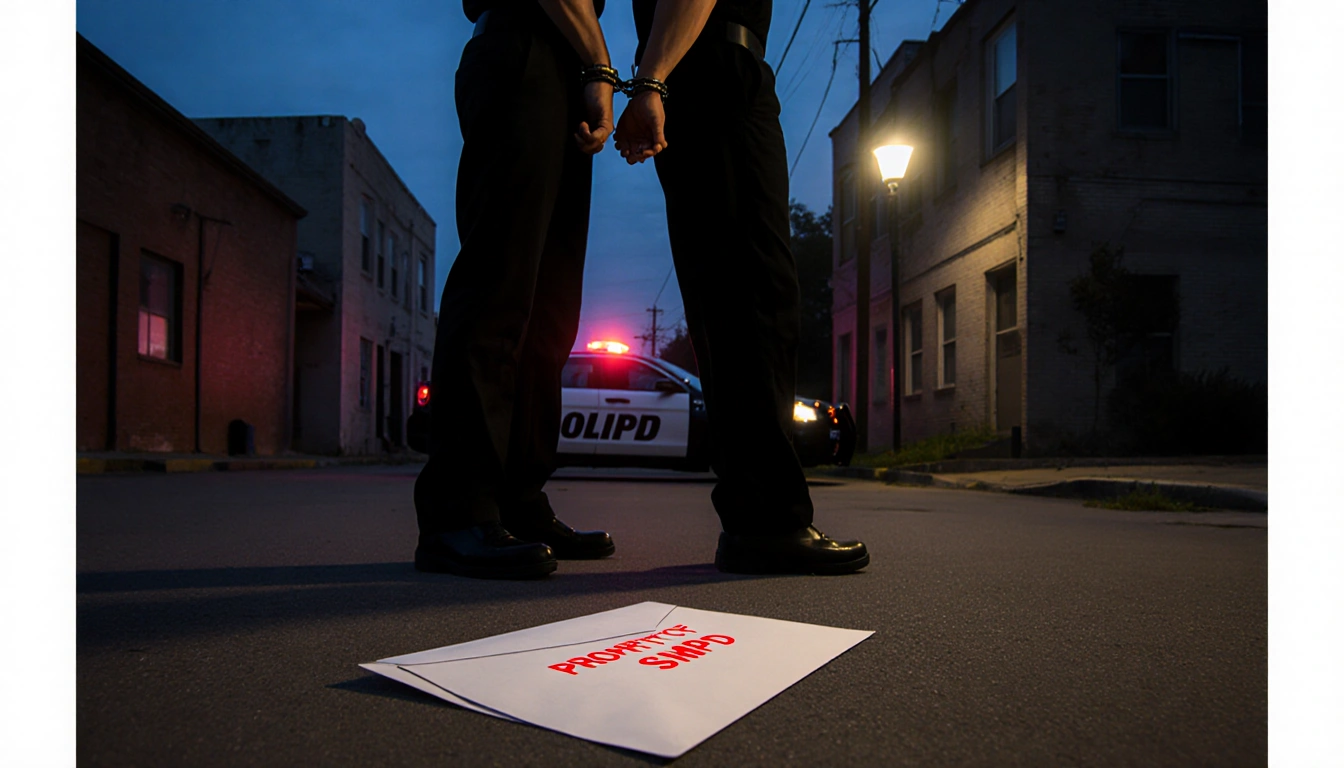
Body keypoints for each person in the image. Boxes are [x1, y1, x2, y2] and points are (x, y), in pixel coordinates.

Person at [614, 0, 870, 574]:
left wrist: (652, 81)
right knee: (755, 297)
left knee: (731, 302)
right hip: (717, 73)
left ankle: (756, 517)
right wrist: (650, 81)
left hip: (698, 76)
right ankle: (767, 522)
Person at [413, 0, 621, 579]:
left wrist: (590, 71)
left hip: (567, 69)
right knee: (499, 283)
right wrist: (601, 66)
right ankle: (458, 512)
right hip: (521, 43)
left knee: (551, 309)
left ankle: (517, 502)